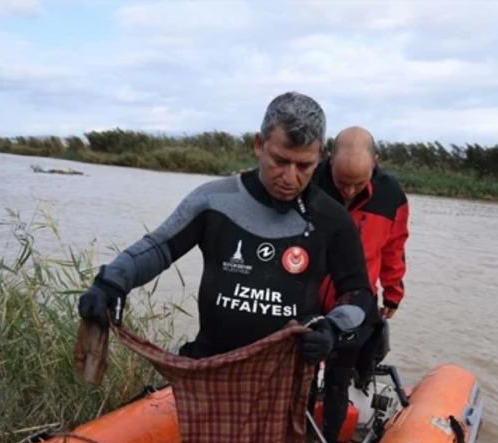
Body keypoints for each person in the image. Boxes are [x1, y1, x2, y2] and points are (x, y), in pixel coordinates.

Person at [77, 92, 371, 361]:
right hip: (209, 365)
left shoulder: (331, 219)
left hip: (285, 375)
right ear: (259, 145)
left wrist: (332, 331)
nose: (290, 177)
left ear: (319, 157)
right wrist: (111, 282)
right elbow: (159, 247)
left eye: (304, 166)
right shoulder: (213, 200)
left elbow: (358, 294)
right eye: (280, 161)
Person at [312, 127, 410, 443]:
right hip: (307, 296)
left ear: (376, 164)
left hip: (354, 302)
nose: (350, 190)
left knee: (339, 379)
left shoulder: (391, 196)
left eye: (358, 182)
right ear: (328, 160)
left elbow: (394, 248)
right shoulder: (308, 182)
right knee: (300, 374)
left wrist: (393, 293)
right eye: (342, 182)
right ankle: (289, 437)